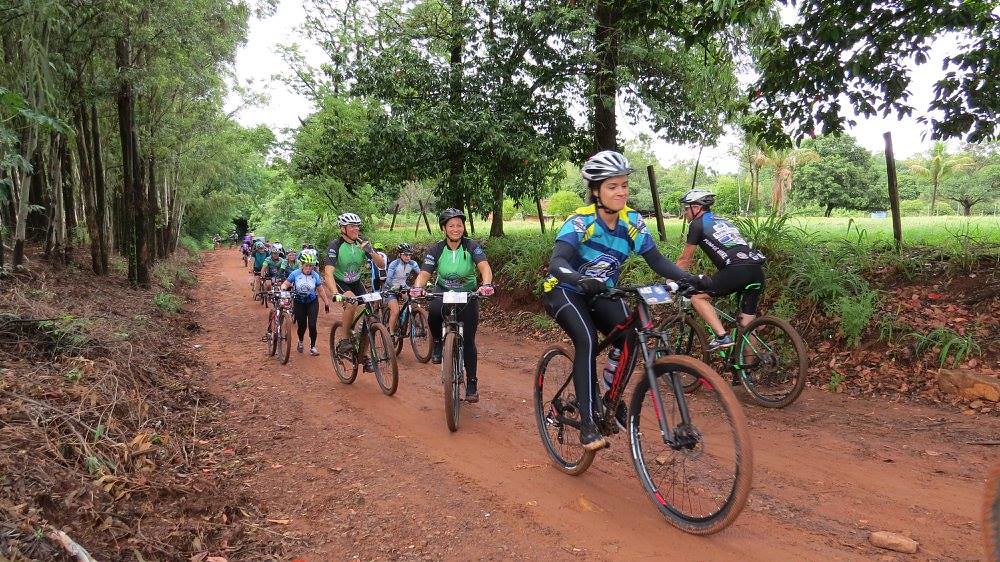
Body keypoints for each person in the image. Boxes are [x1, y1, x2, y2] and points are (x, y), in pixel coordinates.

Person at [541, 150, 700, 451]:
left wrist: (688, 279)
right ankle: (588, 423)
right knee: (586, 339)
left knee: (630, 334)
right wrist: (578, 279)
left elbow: (657, 260)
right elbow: (557, 262)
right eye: (613, 186)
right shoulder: (580, 221)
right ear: (596, 191)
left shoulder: (632, 222)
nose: (621, 191)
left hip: (600, 291)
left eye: (624, 185)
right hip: (564, 290)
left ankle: (607, 398)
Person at [409, 209, 494, 403]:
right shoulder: (436, 249)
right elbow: (424, 273)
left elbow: (484, 267)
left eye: (459, 225)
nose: (456, 229)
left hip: (468, 293)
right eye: (451, 225)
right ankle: (438, 343)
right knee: (434, 310)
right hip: (444, 290)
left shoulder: (471, 246)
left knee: (470, 342)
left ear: (463, 227)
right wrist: (417, 288)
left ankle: (472, 382)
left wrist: (486, 284)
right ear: (443, 229)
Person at [676, 189, 766, 351]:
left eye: (686, 208)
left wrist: (670, 279)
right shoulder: (723, 221)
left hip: (737, 271)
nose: (685, 212)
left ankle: (721, 337)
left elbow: (685, 259)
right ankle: (748, 371)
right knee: (747, 325)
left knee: (697, 298)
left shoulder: (697, 224)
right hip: (756, 271)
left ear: (696, 207)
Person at [323, 213, 386, 343]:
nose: (356, 229)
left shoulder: (362, 244)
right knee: (352, 302)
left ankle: (363, 348)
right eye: (352, 226)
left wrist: (370, 251)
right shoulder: (335, 246)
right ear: (343, 229)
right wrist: (335, 293)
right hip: (340, 282)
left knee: (369, 309)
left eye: (357, 226)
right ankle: (345, 339)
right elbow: (328, 273)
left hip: (356, 282)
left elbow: (381, 264)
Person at [281, 252, 332, 355]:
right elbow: (286, 283)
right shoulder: (295, 273)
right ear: (302, 264)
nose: (309, 268)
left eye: (311, 266)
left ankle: (313, 347)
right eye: (307, 266)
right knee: (302, 325)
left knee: (312, 325)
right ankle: (300, 341)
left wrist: (326, 303)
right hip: (299, 303)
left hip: (312, 302)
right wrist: (283, 289)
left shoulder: (315, 275)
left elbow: (320, 290)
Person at [384, 243, 420, 334]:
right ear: (400, 254)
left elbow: (421, 274)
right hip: (390, 288)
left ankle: (408, 320)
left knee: (414, 301)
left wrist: (427, 282)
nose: (408, 257)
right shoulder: (394, 264)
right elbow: (388, 279)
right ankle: (391, 333)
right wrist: (393, 287)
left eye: (410, 255)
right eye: (405, 254)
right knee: (395, 311)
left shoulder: (413, 263)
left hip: (403, 287)